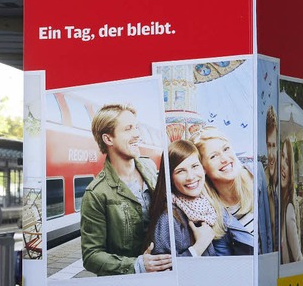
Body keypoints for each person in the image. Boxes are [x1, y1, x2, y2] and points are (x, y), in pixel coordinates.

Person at [80, 103, 172, 276]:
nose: (137, 134)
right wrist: (137, 265)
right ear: (109, 139)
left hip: (163, 275)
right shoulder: (96, 194)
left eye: (136, 127)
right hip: (127, 285)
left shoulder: (149, 166)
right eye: (129, 129)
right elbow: (91, 256)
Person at [150, 140, 253, 257]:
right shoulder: (169, 218)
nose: (190, 177)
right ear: (170, 179)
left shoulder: (209, 206)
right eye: (180, 171)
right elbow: (164, 270)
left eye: (194, 166)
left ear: (203, 169)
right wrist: (198, 248)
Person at [190, 126, 270, 255]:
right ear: (202, 168)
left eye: (226, 149)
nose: (225, 159)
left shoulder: (260, 178)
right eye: (214, 156)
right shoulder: (210, 213)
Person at [280, 139, 303, 264]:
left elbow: (297, 255)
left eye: (287, 162)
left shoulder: (289, 207)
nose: (283, 164)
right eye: (282, 157)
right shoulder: (280, 200)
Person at [265, 106, 280, 250]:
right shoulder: (262, 184)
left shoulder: (281, 182)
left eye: (274, 146)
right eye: (268, 145)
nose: (271, 153)